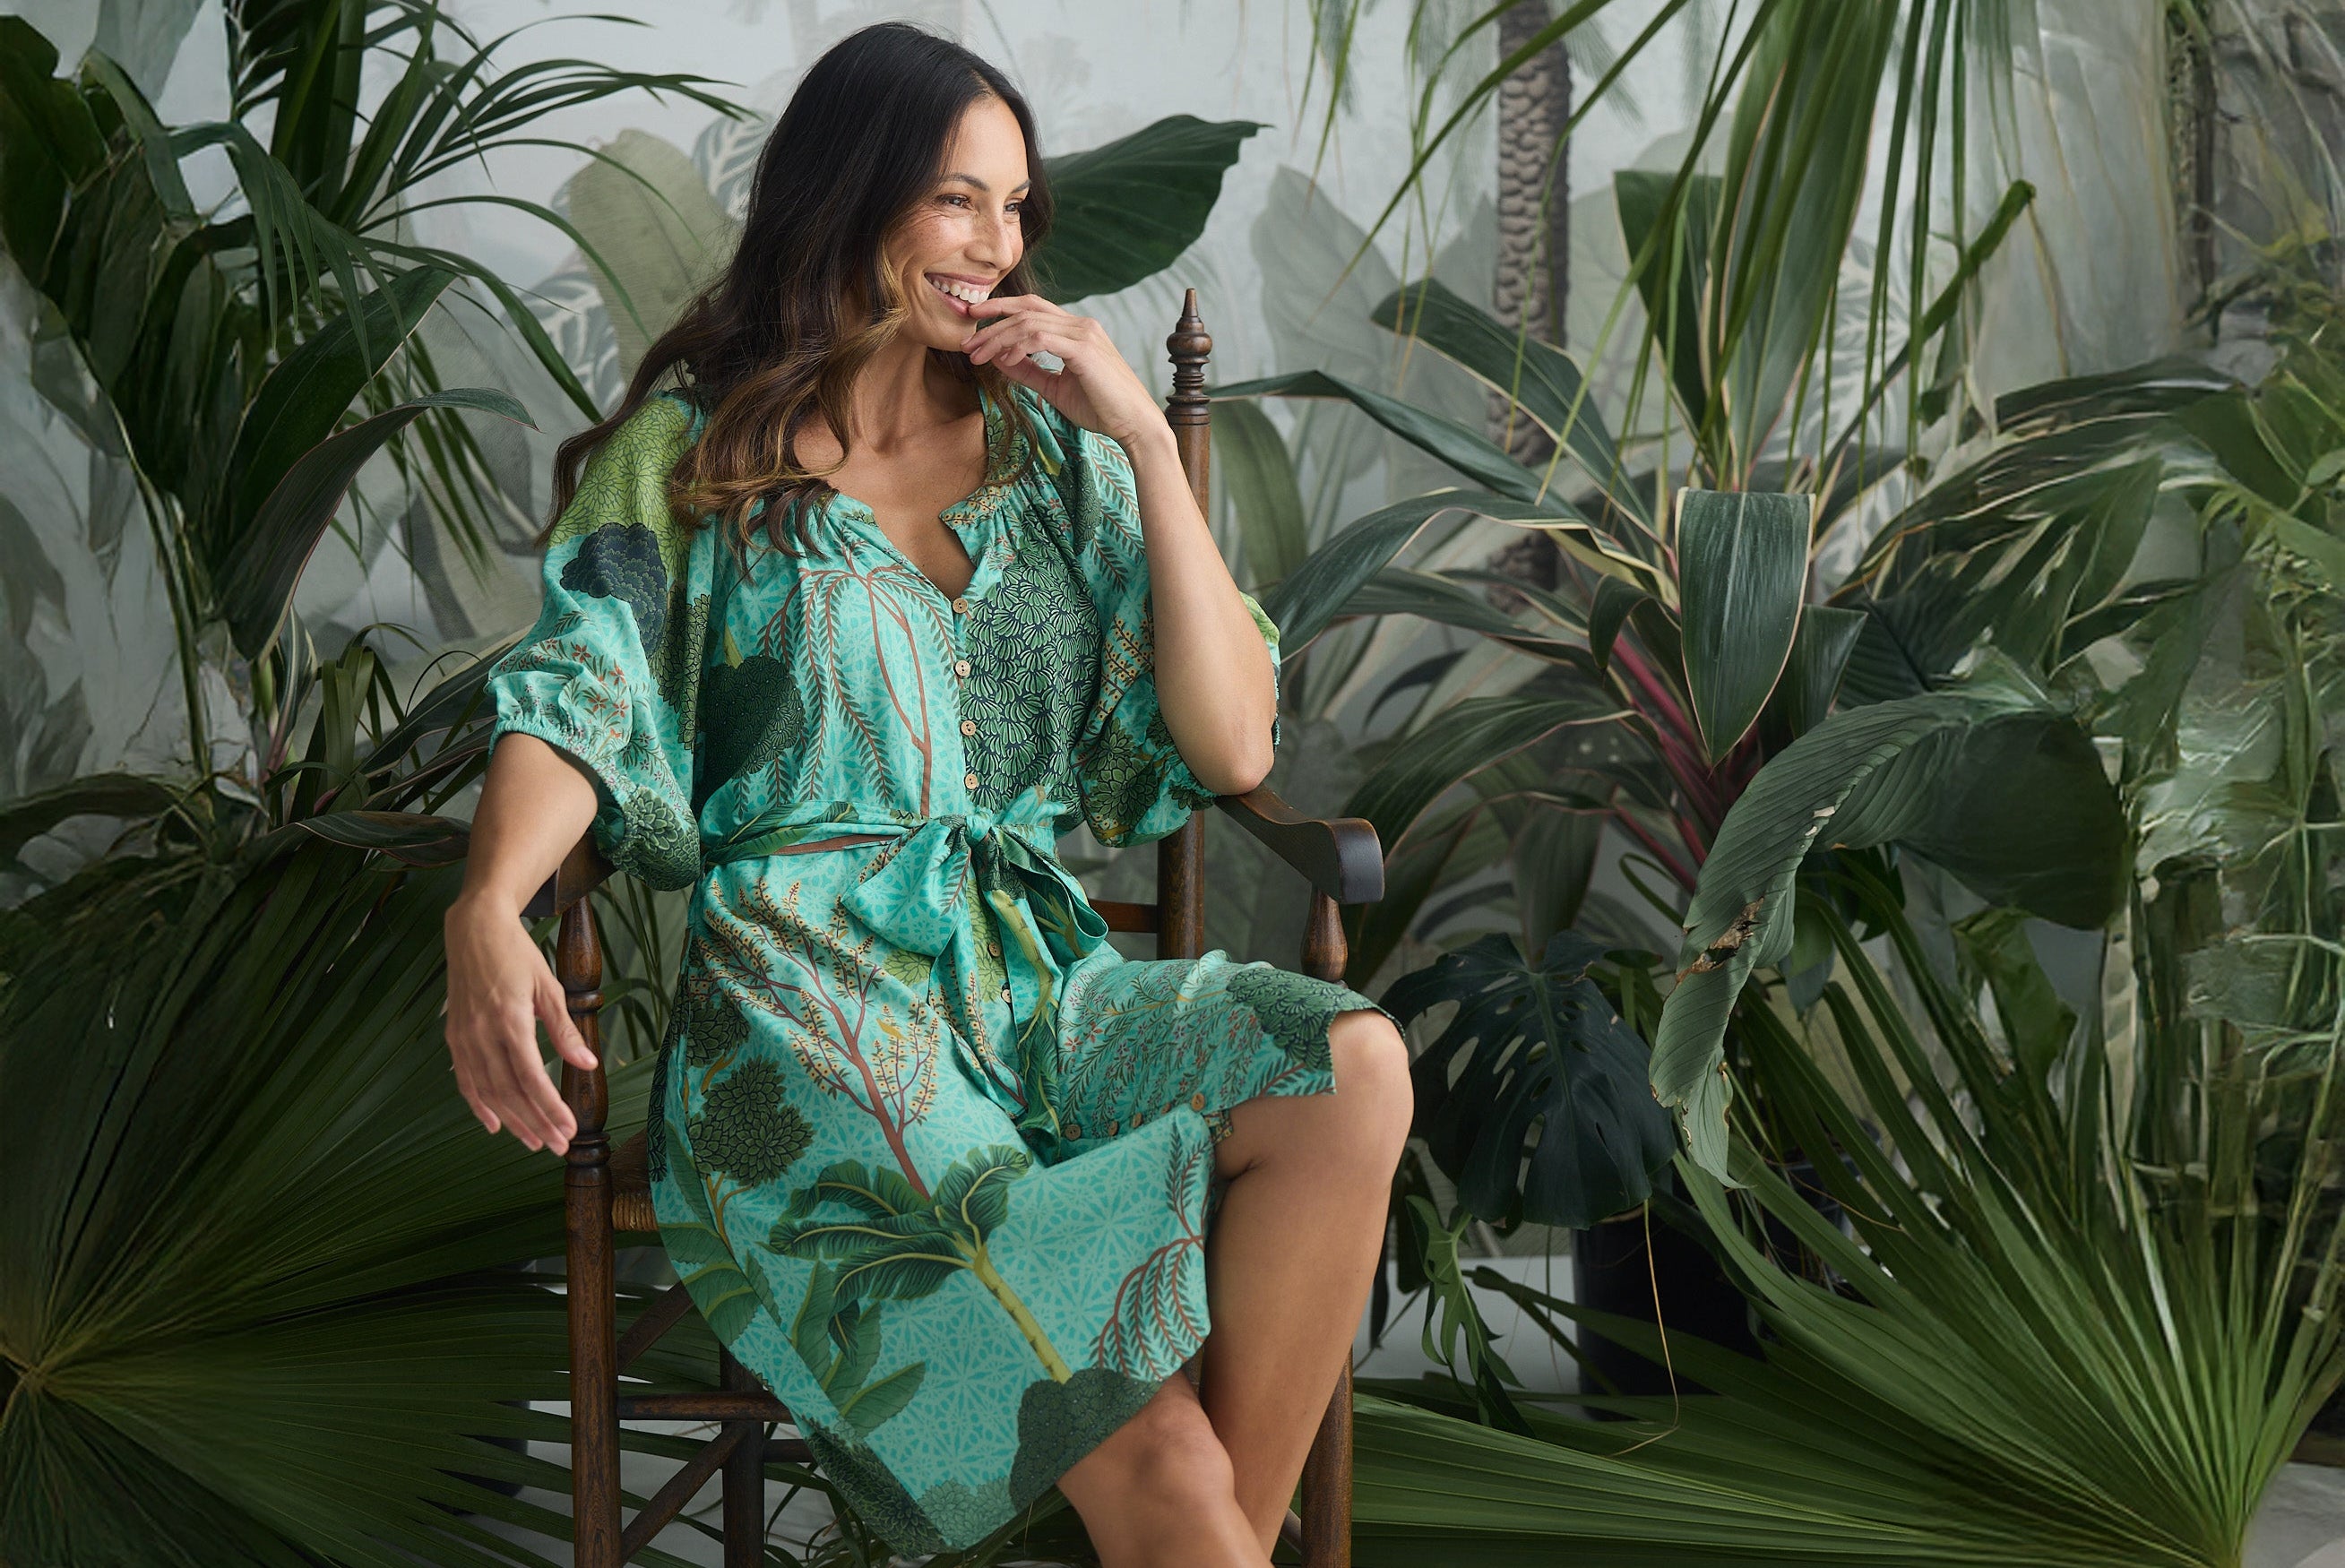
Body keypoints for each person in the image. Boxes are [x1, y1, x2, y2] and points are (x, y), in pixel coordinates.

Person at [441, 22, 1410, 1566]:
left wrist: (1139, 436)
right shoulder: (697, 453)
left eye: (1014, 208)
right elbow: (579, 692)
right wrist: (489, 903)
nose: (994, 246)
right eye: (956, 199)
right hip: (806, 1018)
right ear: (852, 193)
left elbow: (1232, 750)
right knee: (1160, 1456)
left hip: (1034, 997)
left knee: (1345, 1070)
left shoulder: (1056, 457)